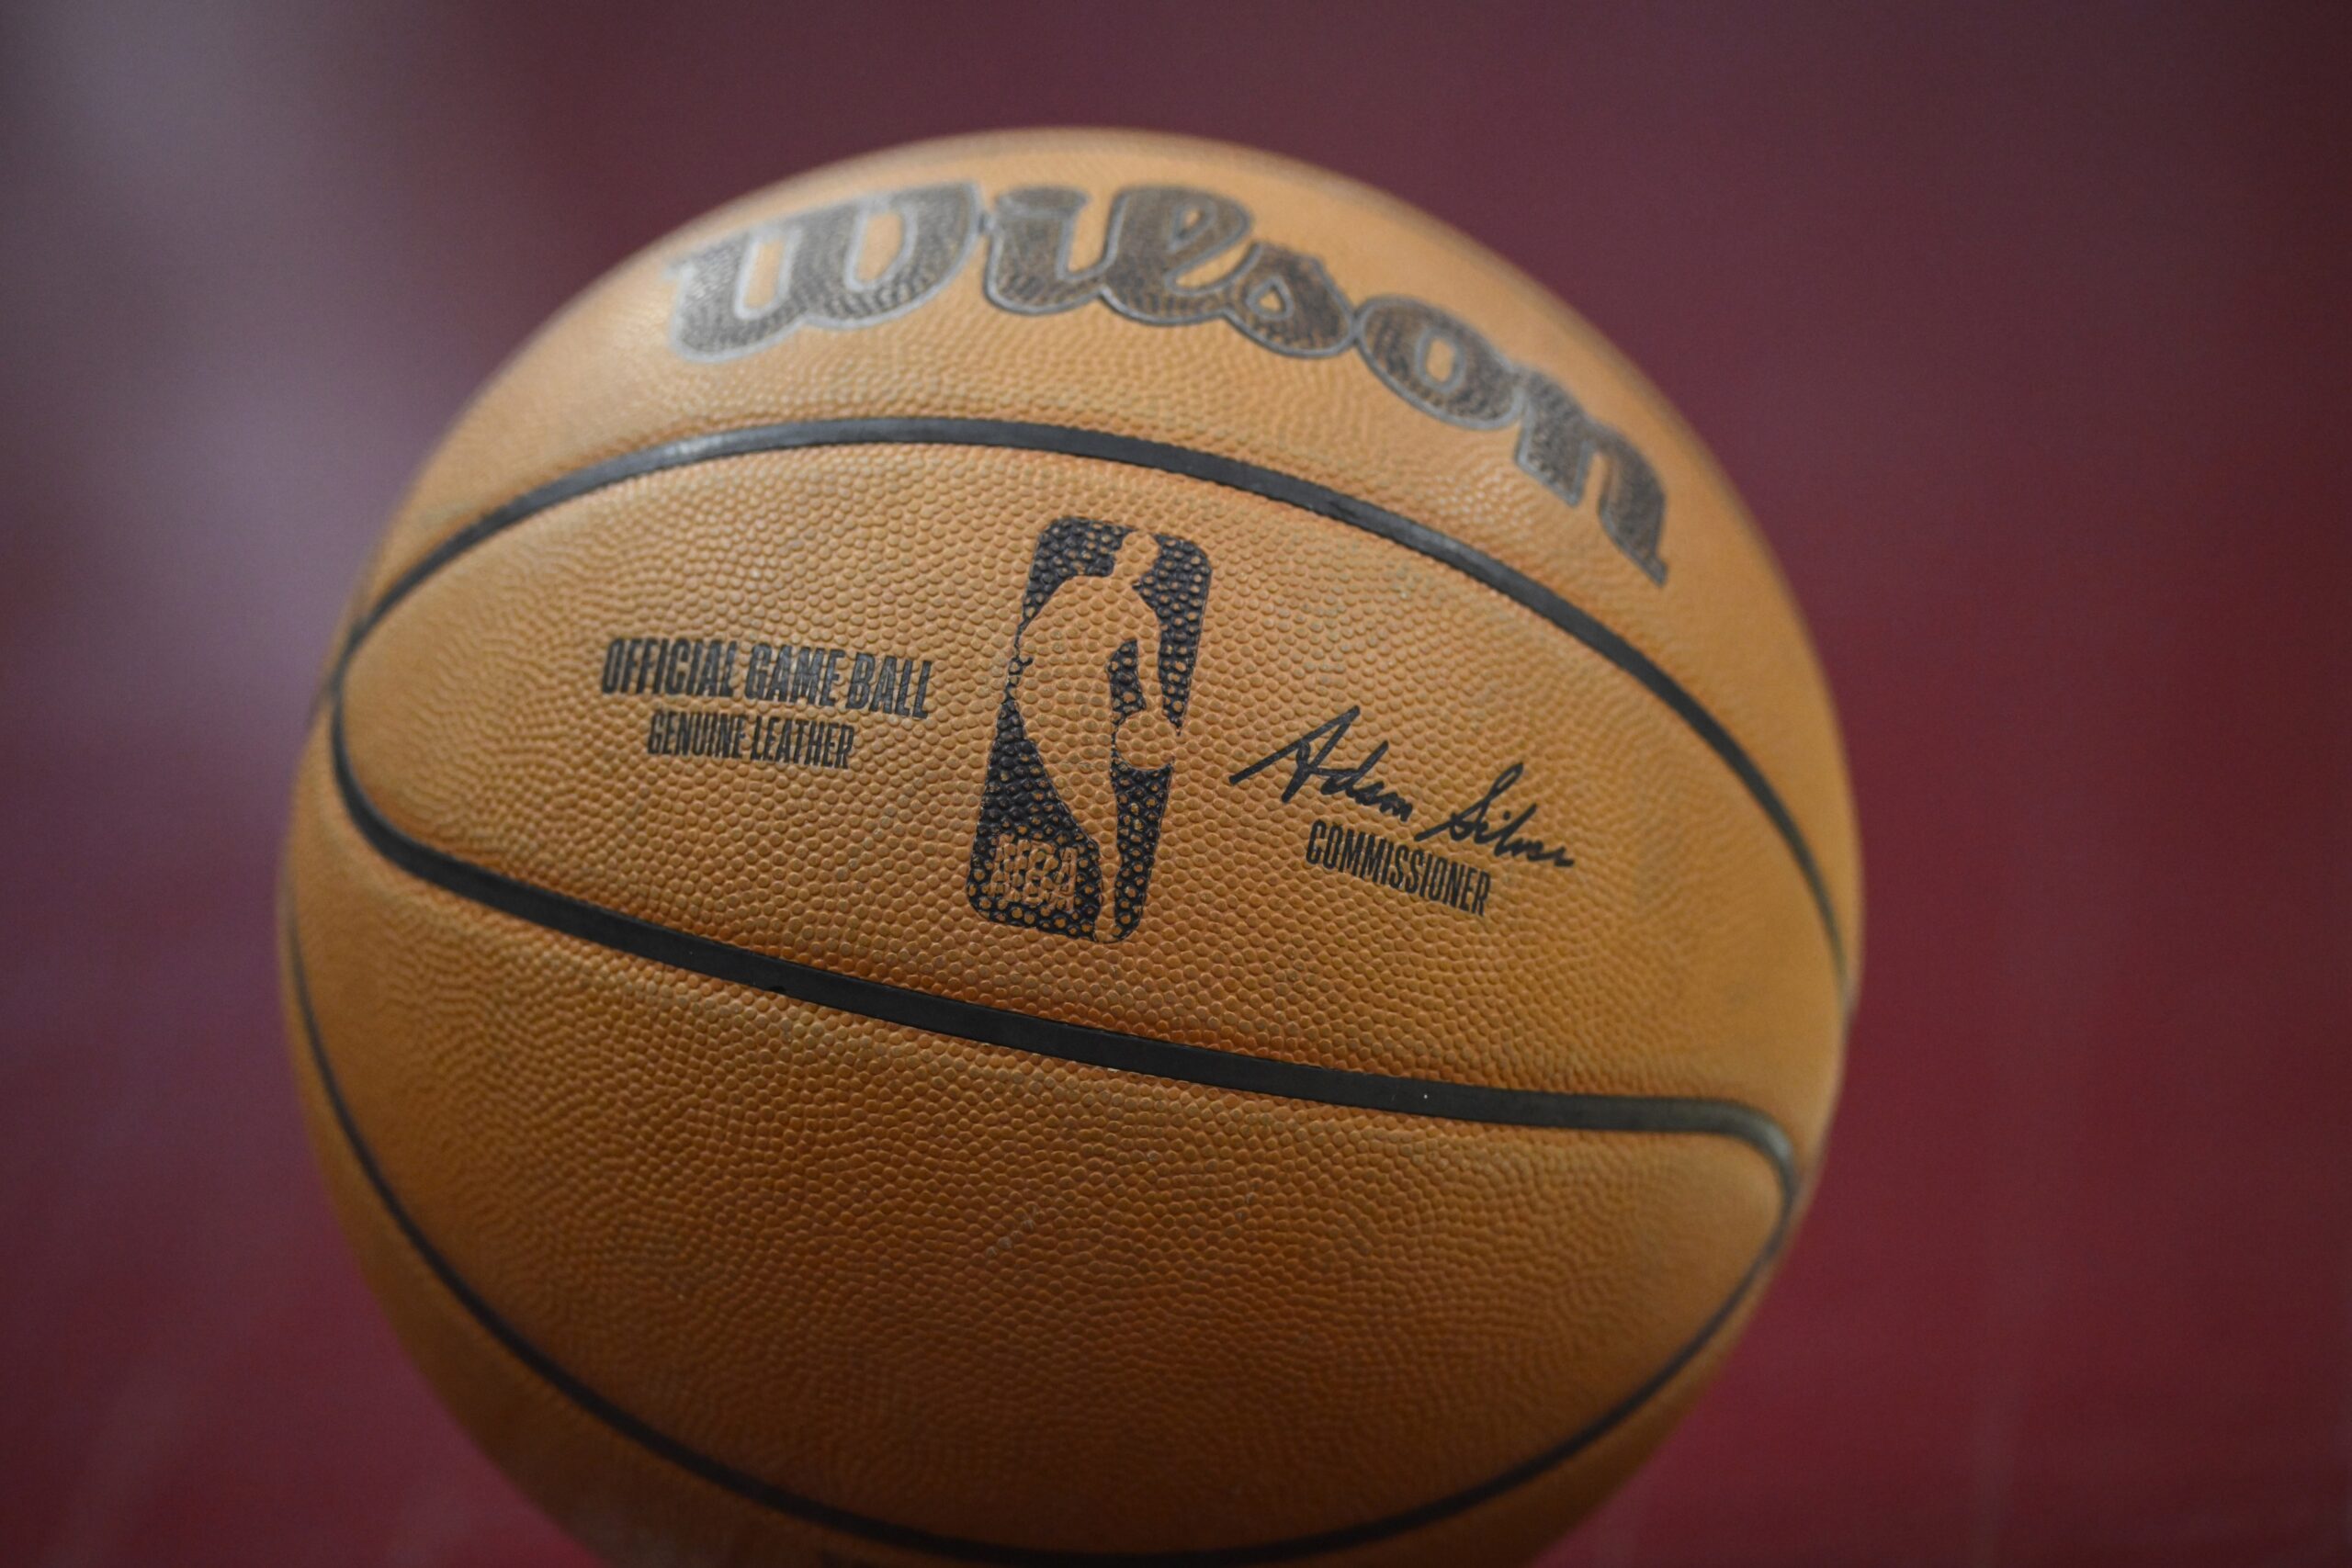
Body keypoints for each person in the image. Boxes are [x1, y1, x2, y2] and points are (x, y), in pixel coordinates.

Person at [1011, 532, 1167, 939]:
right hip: (1052, 693)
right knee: (1084, 795)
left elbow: (1147, 679)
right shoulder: (1086, 592)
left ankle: (1108, 894)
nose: (1134, 563)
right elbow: (1028, 640)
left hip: (1071, 698)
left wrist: (1158, 719)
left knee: (1093, 798)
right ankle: (1108, 876)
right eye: (1134, 554)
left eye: (1141, 559)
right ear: (1122, 555)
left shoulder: (1134, 613)